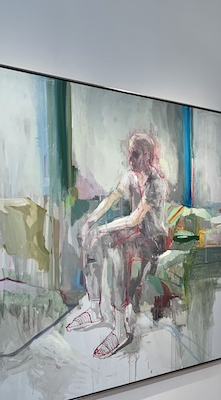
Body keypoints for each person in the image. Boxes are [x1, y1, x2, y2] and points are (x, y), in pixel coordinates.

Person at [66, 131, 168, 358]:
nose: (130, 158)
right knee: (95, 241)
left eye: (135, 154)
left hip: (153, 239)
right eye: (130, 152)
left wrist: (103, 228)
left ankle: (121, 328)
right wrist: (91, 221)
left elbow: (135, 219)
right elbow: (111, 197)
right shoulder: (131, 176)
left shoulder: (156, 183)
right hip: (137, 233)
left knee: (115, 249)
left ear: (147, 156)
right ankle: (94, 308)